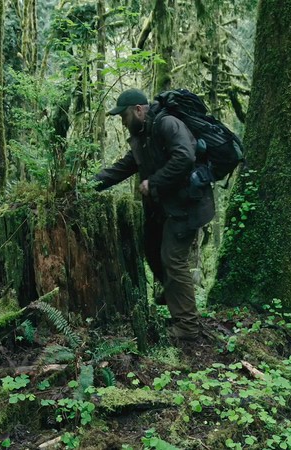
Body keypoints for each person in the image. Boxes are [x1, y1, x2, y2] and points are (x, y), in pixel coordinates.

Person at [93, 88, 215, 342]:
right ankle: (173, 295)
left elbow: (185, 156)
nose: (123, 122)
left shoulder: (168, 124)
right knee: (151, 249)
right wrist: (88, 185)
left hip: (188, 205)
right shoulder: (142, 138)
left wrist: (154, 182)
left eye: (124, 116)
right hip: (167, 209)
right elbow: (123, 168)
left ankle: (188, 326)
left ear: (138, 110)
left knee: (173, 259)